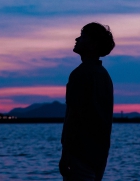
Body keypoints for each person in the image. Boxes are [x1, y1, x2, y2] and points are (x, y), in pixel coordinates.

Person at [59, 22, 115, 181]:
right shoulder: (104, 76)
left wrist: (66, 155)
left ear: (93, 44)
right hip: (98, 155)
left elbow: (74, 116)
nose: (77, 39)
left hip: (80, 154)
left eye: (83, 36)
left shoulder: (81, 74)